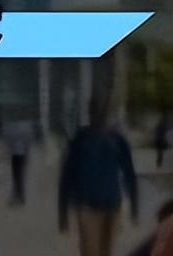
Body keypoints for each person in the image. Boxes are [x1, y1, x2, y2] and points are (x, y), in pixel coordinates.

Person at [58, 97, 138, 256]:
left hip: (112, 205)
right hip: (87, 206)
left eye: (102, 111)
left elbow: (130, 173)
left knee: (107, 252)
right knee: (90, 251)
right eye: (95, 111)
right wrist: (62, 212)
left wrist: (135, 207)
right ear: (90, 112)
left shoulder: (117, 140)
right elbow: (66, 176)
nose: (98, 115)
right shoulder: (80, 140)